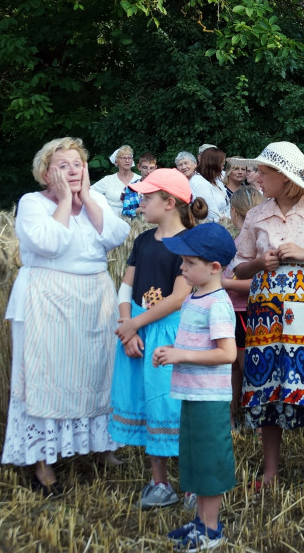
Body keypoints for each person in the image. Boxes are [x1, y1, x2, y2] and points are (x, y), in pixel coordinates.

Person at [1, 137, 130, 495]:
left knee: (96, 370)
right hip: (48, 298)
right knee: (45, 376)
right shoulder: (32, 203)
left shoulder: (96, 200)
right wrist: (62, 202)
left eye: (78, 164)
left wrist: (86, 199)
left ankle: (100, 446)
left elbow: (117, 235)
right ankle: (42, 462)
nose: (73, 171)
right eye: (63, 165)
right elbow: (48, 243)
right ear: (46, 173)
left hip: (94, 298)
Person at [233, 141, 304, 508]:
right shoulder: (256, 214)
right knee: (266, 386)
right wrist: (258, 264)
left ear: (285, 178)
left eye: (264, 173)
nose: (257, 178)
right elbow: (239, 264)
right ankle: (270, 471)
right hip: (265, 311)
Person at [110, 168, 210, 510]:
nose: (140, 202)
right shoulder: (141, 241)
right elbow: (126, 286)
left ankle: (193, 485)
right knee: (148, 402)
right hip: (139, 331)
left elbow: (178, 296)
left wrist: (134, 323)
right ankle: (160, 482)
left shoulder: (188, 245)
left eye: (147, 197)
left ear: (169, 203)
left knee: (174, 405)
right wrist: (128, 325)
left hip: (172, 334)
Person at [154, 223, 238, 552]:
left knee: (209, 461)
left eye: (189, 263)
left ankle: (212, 531)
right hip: (191, 392)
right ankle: (201, 523)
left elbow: (227, 353)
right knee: (195, 459)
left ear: (214, 268)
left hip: (209, 396)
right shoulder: (195, 296)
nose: (182, 267)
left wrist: (180, 354)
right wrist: (173, 354)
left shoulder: (217, 303)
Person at [222, 184, 266, 426]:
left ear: (234, 212)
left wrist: (222, 283)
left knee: (246, 366)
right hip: (236, 311)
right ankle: (234, 413)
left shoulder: (249, 242)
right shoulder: (241, 240)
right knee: (235, 368)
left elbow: (256, 283)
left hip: (245, 312)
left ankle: (253, 417)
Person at [92, 145, 141, 215]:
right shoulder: (108, 180)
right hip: (113, 220)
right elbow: (90, 193)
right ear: (116, 162)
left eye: (129, 158)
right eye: (123, 158)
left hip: (136, 222)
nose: (127, 160)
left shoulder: (140, 179)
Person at [191, 147, 230, 222]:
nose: (223, 168)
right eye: (222, 165)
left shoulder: (215, 179)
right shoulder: (198, 182)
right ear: (214, 165)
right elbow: (212, 213)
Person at [122, 152, 158, 218]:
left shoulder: (159, 187)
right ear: (139, 167)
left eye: (151, 168)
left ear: (155, 168)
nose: (148, 171)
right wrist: (138, 210)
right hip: (137, 225)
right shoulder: (131, 187)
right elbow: (124, 212)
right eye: (145, 167)